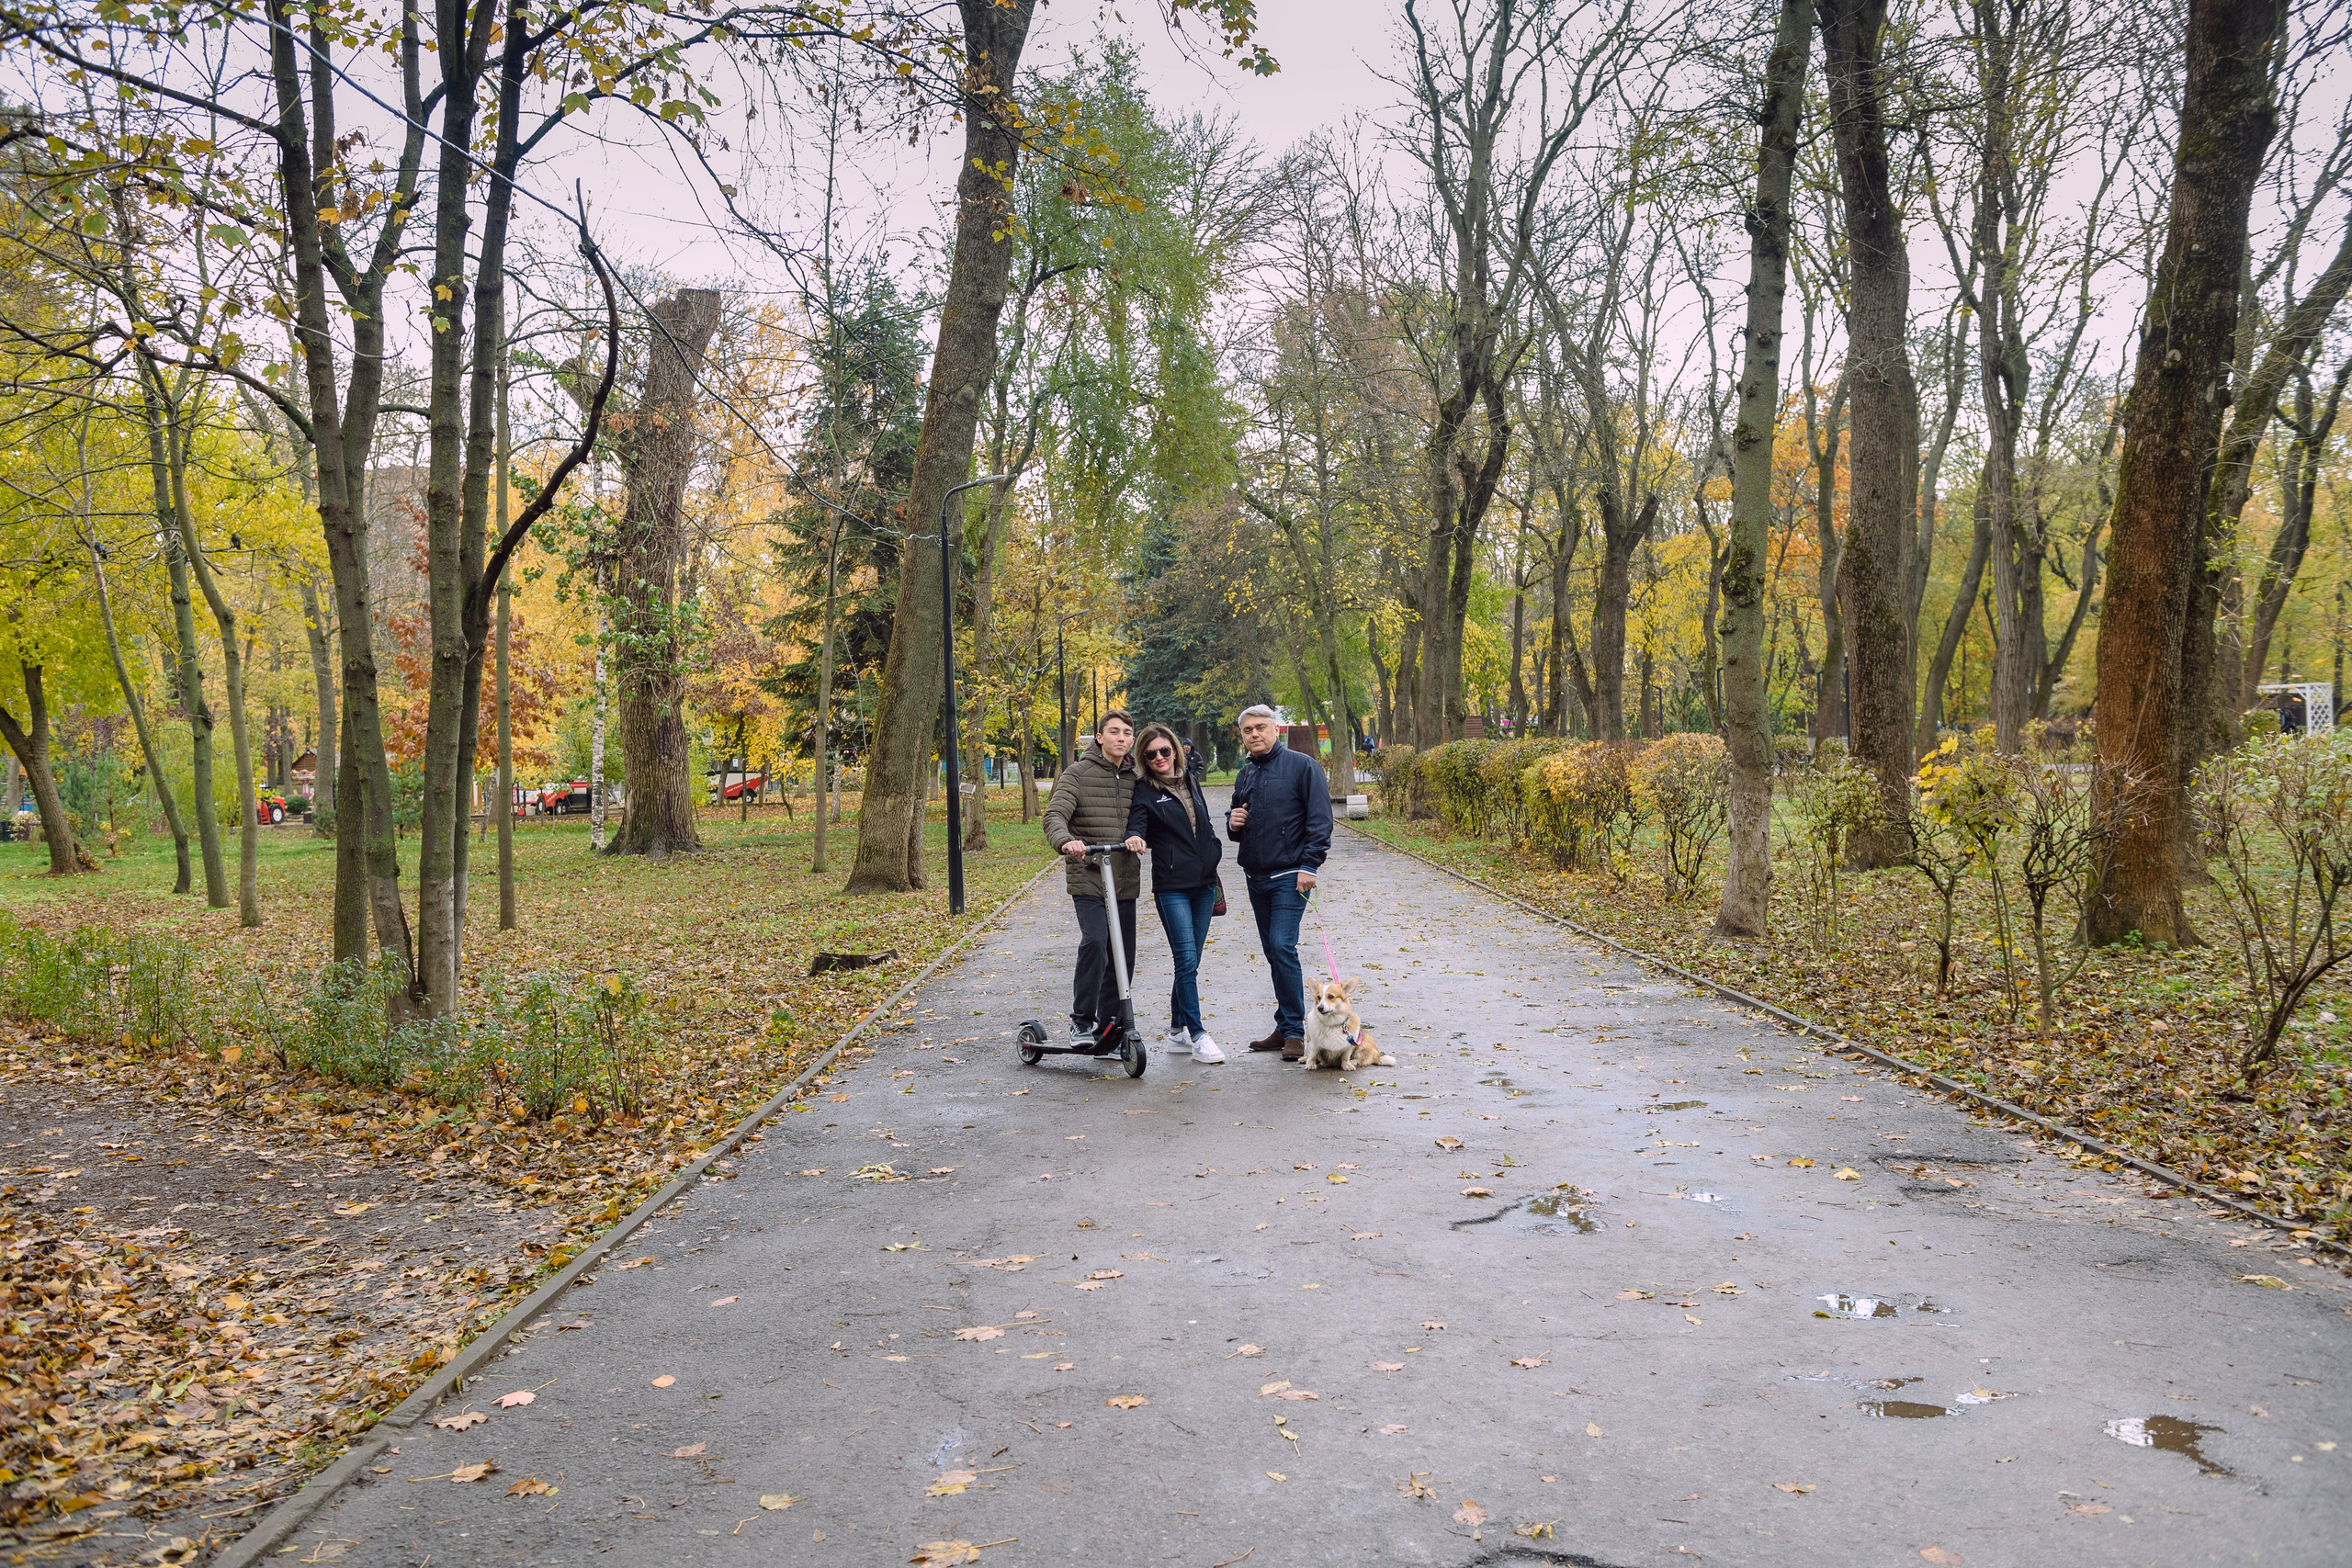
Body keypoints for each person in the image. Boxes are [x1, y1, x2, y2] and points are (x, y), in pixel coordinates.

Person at [1224, 704, 1331, 1060]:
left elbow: (1320, 819)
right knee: (1274, 952)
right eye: (1247, 730)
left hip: (1290, 875)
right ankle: (1285, 1025)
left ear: (1275, 729)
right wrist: (1233, 823)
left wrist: (1310, 865)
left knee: (1282, 946)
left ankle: (1295, 1034)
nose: (1254, 734)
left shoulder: (1302, 766)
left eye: (1260, 727)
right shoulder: (1245, 774)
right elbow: (1237, 823)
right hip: (1255, 877)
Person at [1123, 722, 1226, 1065]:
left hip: (1204, 883)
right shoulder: (1144, 790)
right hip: (1172, 887)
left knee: (1191, 961)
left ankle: (1176, 1031)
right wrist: (1135, 837)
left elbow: (1204, 825)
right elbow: (1137, 823)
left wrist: (1214, 850)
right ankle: (1197, 1035)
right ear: (1144, 758)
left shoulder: (1191, 780)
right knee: (1185, 959)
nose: (1159, 758)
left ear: (1175, 751)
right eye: (1151, 754)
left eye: (1164, 751)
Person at [1040, 709, 1142, 1050]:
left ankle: (1109, 1028)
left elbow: (1145, 818)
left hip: (1124, 878)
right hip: (1088, 874)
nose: (1121, 738)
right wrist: (1066, 841)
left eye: (1127, 733)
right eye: (1114, 731)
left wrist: (1141, 836)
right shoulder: (1078, 774)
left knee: (1123, 956)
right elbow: (1055, 815)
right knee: (1096, 943)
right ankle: (1081, 1021)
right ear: (1099, 737)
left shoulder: (1135, 777)